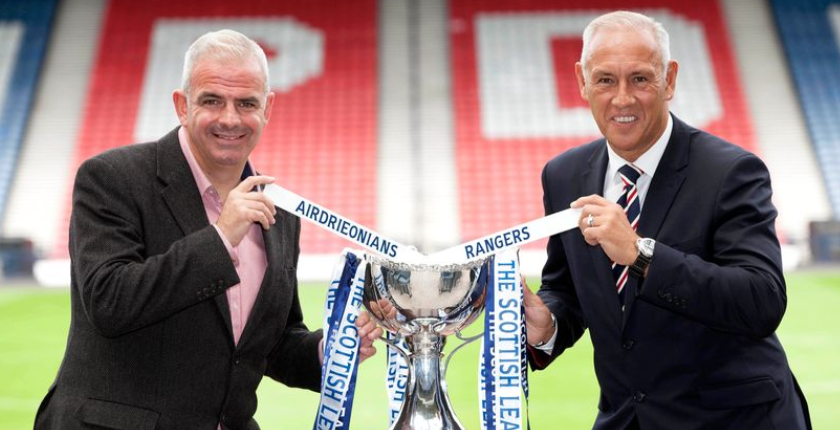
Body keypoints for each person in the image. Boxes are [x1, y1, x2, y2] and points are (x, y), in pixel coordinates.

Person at [33, 29, 381, 430]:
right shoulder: (112, 178)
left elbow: (270, 342)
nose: (230, 119)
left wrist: (333, 347)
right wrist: (221, 237)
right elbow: (109, 302)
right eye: (212, 101)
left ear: (268, 108)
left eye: (246, 103)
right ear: (182, 105)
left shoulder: (280, 212)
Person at [521, 11, 810, 430]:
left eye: (640, 78)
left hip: (735, 420)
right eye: (605, 80)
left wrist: (641, 256)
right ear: (582, 81)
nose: (622, 98)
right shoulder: (563, 174)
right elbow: (567, 288)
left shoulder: (731, 171)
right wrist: (547, 322)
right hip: (626, 420)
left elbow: (761, 301)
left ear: (669, 79)